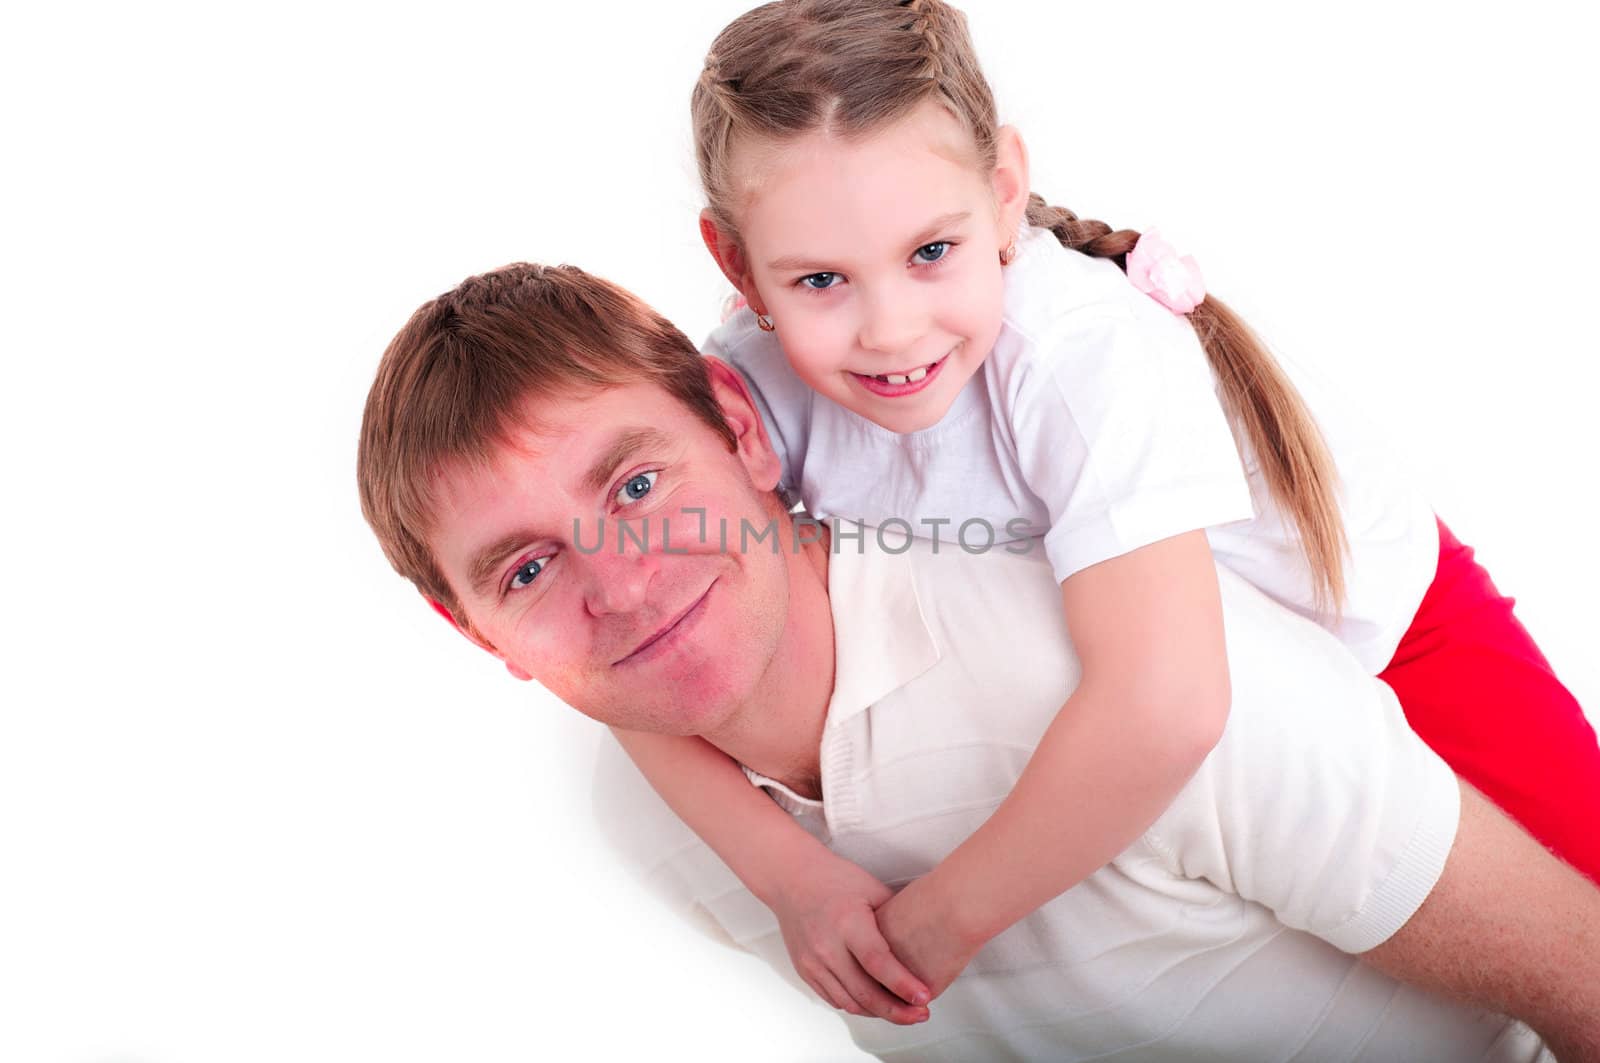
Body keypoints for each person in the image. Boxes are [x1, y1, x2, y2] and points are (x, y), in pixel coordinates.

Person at [602, 0, 1600, 1022]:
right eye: (819, 279)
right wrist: (790, 879)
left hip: (1394, 638)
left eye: (930, 253)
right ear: (733, 264)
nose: (891, 329)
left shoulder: (1078, 357)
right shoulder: (747, 390)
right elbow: (618, 641)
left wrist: (945, 918)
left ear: (1001, 196)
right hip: (1232, 739)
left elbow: (1166, 705)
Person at [355, 262, 1599, 1060]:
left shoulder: (1090, 652)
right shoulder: (645, 810)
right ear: (475, 633)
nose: (619, 585)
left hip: (1393, 608)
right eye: (524, 572)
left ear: (743, 428)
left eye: (637, 483)